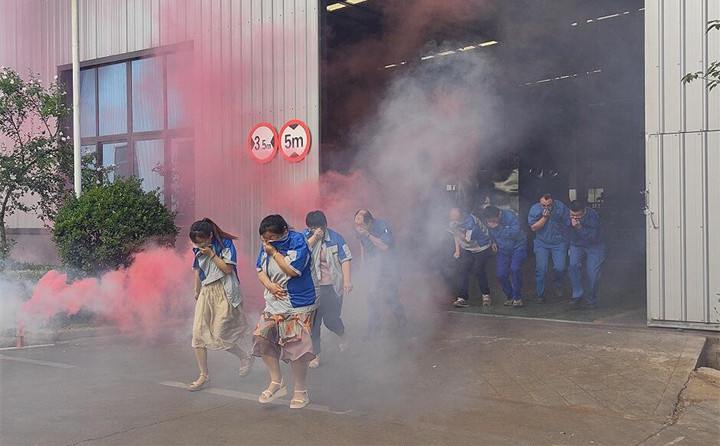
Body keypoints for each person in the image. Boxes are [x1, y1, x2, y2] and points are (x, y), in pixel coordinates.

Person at [253, 214, 319, 409]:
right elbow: (259, 269)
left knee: (295, 346)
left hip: (297, 303)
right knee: (262, 337)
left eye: (271, 237)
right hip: (273, 302)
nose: (267, 241)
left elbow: (292, 270)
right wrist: (269, 285)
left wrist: (273, 252)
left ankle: (300, 391)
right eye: (264, 238)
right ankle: (276, 382)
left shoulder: (298, 242)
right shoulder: (267, 245)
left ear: (284, 231)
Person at [187, 218, 252, 391]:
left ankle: (244, 356)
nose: (199, 245)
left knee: (220, 333)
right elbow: (198, 269)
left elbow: (228, 269)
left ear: (210, 236)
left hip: (224, 291)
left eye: (201, 242)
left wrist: (212, 254)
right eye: (196, 243)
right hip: (207, 290)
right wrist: (197, 290)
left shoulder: (225, 244)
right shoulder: (198, 247)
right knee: (198, 333)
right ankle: (204, 376)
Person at [303, 210, 353, 368]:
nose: (314, 230)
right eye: (311, 228)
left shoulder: (336, 238)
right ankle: (317, 355)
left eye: (317, 227)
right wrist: (313, 238)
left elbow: (345, 259)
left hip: (332, 287)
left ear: (324, 225)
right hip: (313, 289)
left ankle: (342, 334)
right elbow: (300, 253)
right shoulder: (304, 237)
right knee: (314, 324)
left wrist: (347, 281)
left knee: (331, 320)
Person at [354, 209, 406, 335]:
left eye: (361, 224)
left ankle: (401, 320)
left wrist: (368, 235)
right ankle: (373, 328)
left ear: (369, 222)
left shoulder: (382, 226)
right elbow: (362, 244)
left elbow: (384, 246)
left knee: (389, 297)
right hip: (373, 267)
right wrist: (363, 263)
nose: (358, 227)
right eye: (356, 224)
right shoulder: (361, 229)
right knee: (371, 297)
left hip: (389, 268)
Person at [528, 193, 570, 303]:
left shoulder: (561, 207)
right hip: (542, 242)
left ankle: (558, 284)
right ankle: (540, 294)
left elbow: (569, 221)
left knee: (561, 268)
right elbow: (533, 227)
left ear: (554, 202)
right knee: (541, 269)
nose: (546, 208)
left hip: (559, 242)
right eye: (543, 205)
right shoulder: (535, 209)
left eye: (549, 205)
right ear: (540, 202)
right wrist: (544, 218)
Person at [482, 206, 527, 307]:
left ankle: (517, 298)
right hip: (502, 249)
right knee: (501, 274)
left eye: (493, 220)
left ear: (498, 215)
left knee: (515, 269)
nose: (491, 223)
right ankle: (510, 296)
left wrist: (498, 227)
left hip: (518, 246)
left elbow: (514, 233)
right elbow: (489, 233)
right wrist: (493, 241)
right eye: (489, 221)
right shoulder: (488, 221)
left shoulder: (510, 216)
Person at [449, 207, 493, 308]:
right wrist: (457, 250)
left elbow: (467, 239)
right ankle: (462, 298)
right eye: (451, 214)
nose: (451, 217)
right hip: (468, 248)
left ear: (460, 214)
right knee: (463, 270)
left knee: (478, 270)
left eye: (454, 215)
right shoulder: (454, 221)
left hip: (481, 247)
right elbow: (456, 235)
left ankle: (486, 295)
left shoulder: (471, 222)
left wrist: (455, 229)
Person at [566, 200, 605, 309]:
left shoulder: (593, 216)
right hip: (576, 244)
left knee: (593, 272)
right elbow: (564, 230)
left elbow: (592, 237)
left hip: (595, 245)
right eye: (572, 215)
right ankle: (577, 295)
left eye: (578, 216)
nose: (574, 218)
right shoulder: (568, 214)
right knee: (573, 265)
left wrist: (579, 227)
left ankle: (592, 299)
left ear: (584, 211)